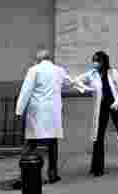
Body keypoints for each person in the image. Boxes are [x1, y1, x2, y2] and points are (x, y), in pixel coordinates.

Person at [15, 49, 86, 184]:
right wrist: (85, 89)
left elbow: (26, 91)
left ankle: (23, 174)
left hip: (38, 111)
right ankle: (52, 174)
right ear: (49, 59)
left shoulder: (34, 70)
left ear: (39, 59)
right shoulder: (59, 70)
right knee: (52, 144)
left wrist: (19, 111)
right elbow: (71, 82)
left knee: (31, 143)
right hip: (53, 112)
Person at [76, 51, 118, 176]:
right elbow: (77, 80)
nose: (95, 63)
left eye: (97, 60)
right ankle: (97, 167)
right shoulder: (91, 74)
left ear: (104, 61)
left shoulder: (112, 72)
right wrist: (87, 89)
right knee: (98, 136)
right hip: (101, 107)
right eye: (94, 60)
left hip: (114, 105)